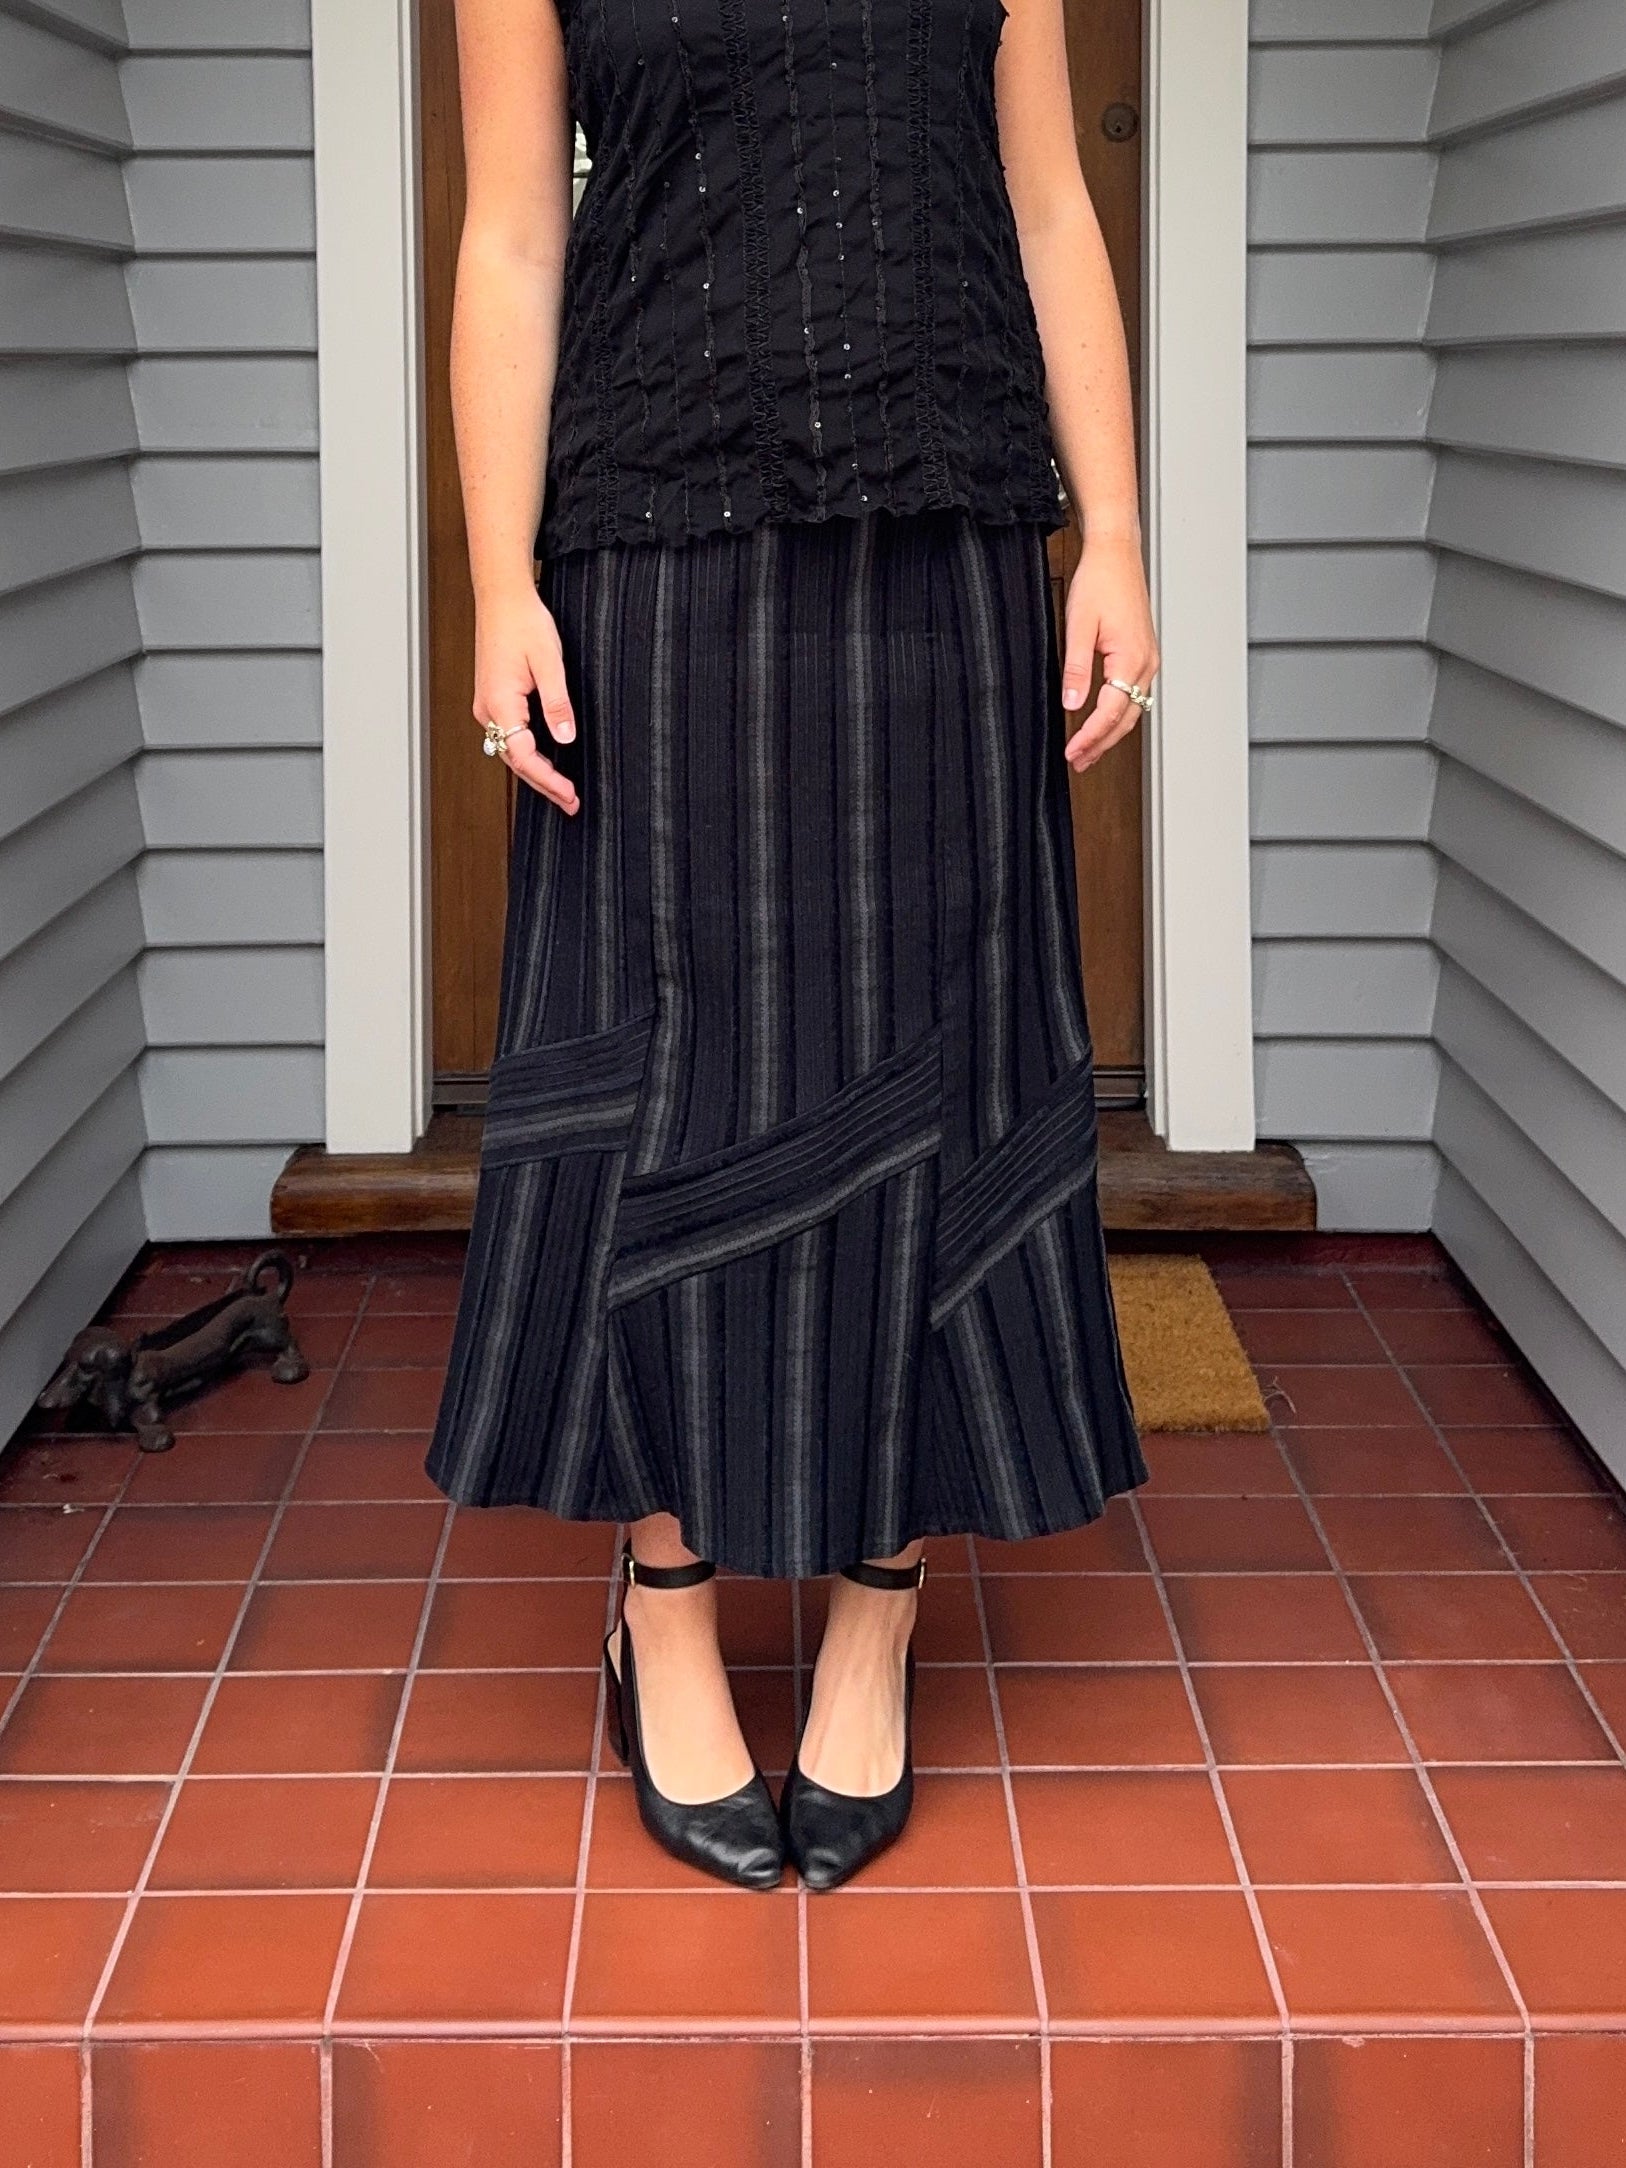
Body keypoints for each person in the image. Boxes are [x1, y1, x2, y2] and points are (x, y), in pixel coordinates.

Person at [425, 0, 1158, 1892]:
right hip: (654, 528)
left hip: (948, 530)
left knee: (938, 1038)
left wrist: (1116, 538)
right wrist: (499, 579)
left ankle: (876, 1604)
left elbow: (1045, 205)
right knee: (665, 1057)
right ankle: (662, 1597)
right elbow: (512, 233)